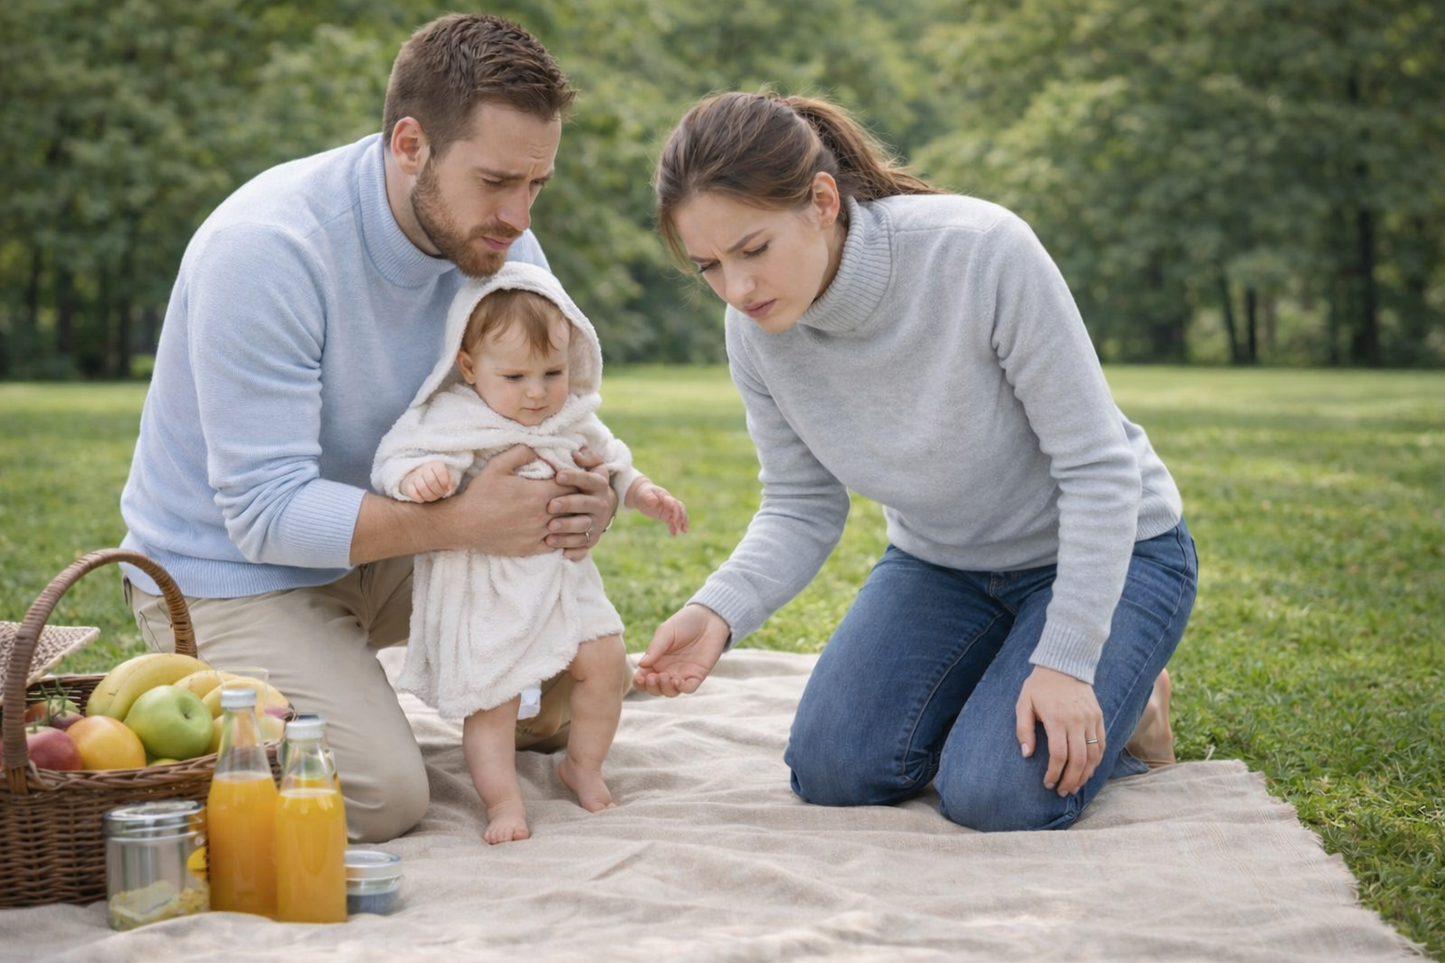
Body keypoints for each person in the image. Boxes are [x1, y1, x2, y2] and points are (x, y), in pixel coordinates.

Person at [635, 91, 1198, 832]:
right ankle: (1008, 673)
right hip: (945, 565)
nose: (735, 289)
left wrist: (1063, 658)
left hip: (1115, 551)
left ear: (822, 201)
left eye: (753, 249)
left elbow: (1097, 468)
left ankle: (1132, 707)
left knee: (995, 791)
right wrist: (716, 611)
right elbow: (801, 506)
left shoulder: (980, 250)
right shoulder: (756, 333)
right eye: (708, 266)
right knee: (832, 768)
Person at [118, 14, 618, 844]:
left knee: (583, 663)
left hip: (392, 544)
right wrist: (462, 521)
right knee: (384, 795)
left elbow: (553, 409)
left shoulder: (505, 248)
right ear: (410, 143)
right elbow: (265, 512)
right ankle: (214, 699)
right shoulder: (270, 247)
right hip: (232, 568)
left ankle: (422, 691)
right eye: (496, 180)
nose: (518, 214)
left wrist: (585, 498)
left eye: (536, 185)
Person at [372, 263, 687, 843]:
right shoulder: (452, 420)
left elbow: (611, 462)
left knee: (607, 663)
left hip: (566, 582)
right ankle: (503, 802)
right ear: (469, 368)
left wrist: (641, 492)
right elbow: (397, 456)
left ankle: (582, 766)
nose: (538, 392)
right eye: (515, 376)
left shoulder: (572, 417)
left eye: (553, 372)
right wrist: (419, 477)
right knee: (494, 698)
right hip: (489, 586)